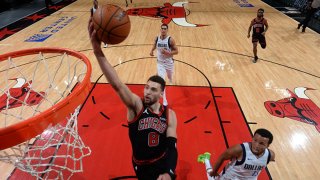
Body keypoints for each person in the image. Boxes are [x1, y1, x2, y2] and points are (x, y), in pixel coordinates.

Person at [88, 17, 178, 180]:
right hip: (141, 165)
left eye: (153, 90)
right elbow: (118, 85)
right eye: (146, 87)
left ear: (161, 94)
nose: (147, 92)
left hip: (162, 162)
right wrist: (97, 51)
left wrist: (169, 171)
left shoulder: (170, 115)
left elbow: (172, 147)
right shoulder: (136, 106)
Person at [198, 128, 275, 180]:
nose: (256, 145)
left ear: (268, 145)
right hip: (229, 178)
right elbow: (222, 157)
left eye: (261, 143)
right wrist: (214, 172)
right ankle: (206, 159)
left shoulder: (270, 155)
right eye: (255, 140)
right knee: (211, 177)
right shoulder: (239, 149)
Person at [150, 24, 178, 106]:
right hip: (160, 63)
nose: (163, 30)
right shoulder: (157, 38)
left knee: (169, 76)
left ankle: (170, 79)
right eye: (162, 28)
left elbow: (176, 51)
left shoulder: (170, 40)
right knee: (162, 82)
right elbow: (155, 44)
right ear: (160, 29)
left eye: (165, 29)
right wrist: (152, 50)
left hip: (169, 62)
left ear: (167, 30)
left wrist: (168, 52)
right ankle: (164, 101)